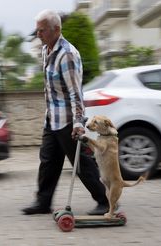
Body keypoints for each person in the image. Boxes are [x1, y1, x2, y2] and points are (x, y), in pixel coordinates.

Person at [22, 9, 109, 215]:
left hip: (68, 121)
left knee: (82, 164)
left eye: (42, 30)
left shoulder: (67, 54)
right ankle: (43, 202)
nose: (38, 34)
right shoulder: (46, 49)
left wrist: (79, 123)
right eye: (37, 30)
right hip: (52, 118)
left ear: (56, 29)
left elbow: (75, 93)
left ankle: (106, 201)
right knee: (48, 161)